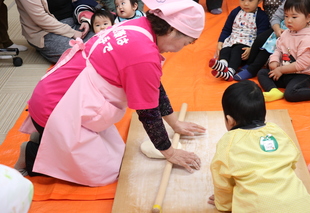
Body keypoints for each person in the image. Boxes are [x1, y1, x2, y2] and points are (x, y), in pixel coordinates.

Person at [14, 0, 206, 187]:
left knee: (115, 152)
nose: (181, 50)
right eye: (186, 43)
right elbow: (148, 112)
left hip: (54, 93)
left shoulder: (139, 25)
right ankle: (33, 153)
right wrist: (170, 152)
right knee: (104, 173)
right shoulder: (143, 53)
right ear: (173, 31)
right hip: (55, 109)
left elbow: (152, 85)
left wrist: (175, 123)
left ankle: (49, 138)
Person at [208, 80, 310, 212]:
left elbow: (222, 182)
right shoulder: (276, 131)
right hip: (304, 207)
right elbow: (292, 162)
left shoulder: (228, 142)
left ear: (229, 120)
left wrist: (224, 205)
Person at [257, 0, 310, 102]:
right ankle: (274, 91)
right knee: (263, 73)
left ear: (309, 17)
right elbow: (278, 49)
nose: (289, 20)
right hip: (285, 73)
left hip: (302, 75)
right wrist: (274, 61)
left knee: (290, 94)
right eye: (286, 16)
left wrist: (280, 70)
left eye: (294, 17)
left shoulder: (308, 38)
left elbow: (301, 65)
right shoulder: (286, 33)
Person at [14, 0, 100, 63]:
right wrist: (72, 33)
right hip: (45, 31)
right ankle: (45, 49)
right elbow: (40, 18)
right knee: (76, 54)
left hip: (74, 21)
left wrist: (85, 19)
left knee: (103, 39)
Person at [209, 0, 269, 81]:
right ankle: (223, 64)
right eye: (242, 0)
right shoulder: (235, 12)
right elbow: (227, 29)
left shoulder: (262, 16)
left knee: (237, 51)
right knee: (225, 50)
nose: (246, 3)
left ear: (259, 1)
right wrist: (221, 42)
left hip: (247, 44)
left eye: (250, 1)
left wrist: (252, 49)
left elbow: (261, 36)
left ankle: (230, 71)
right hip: (232, 40)